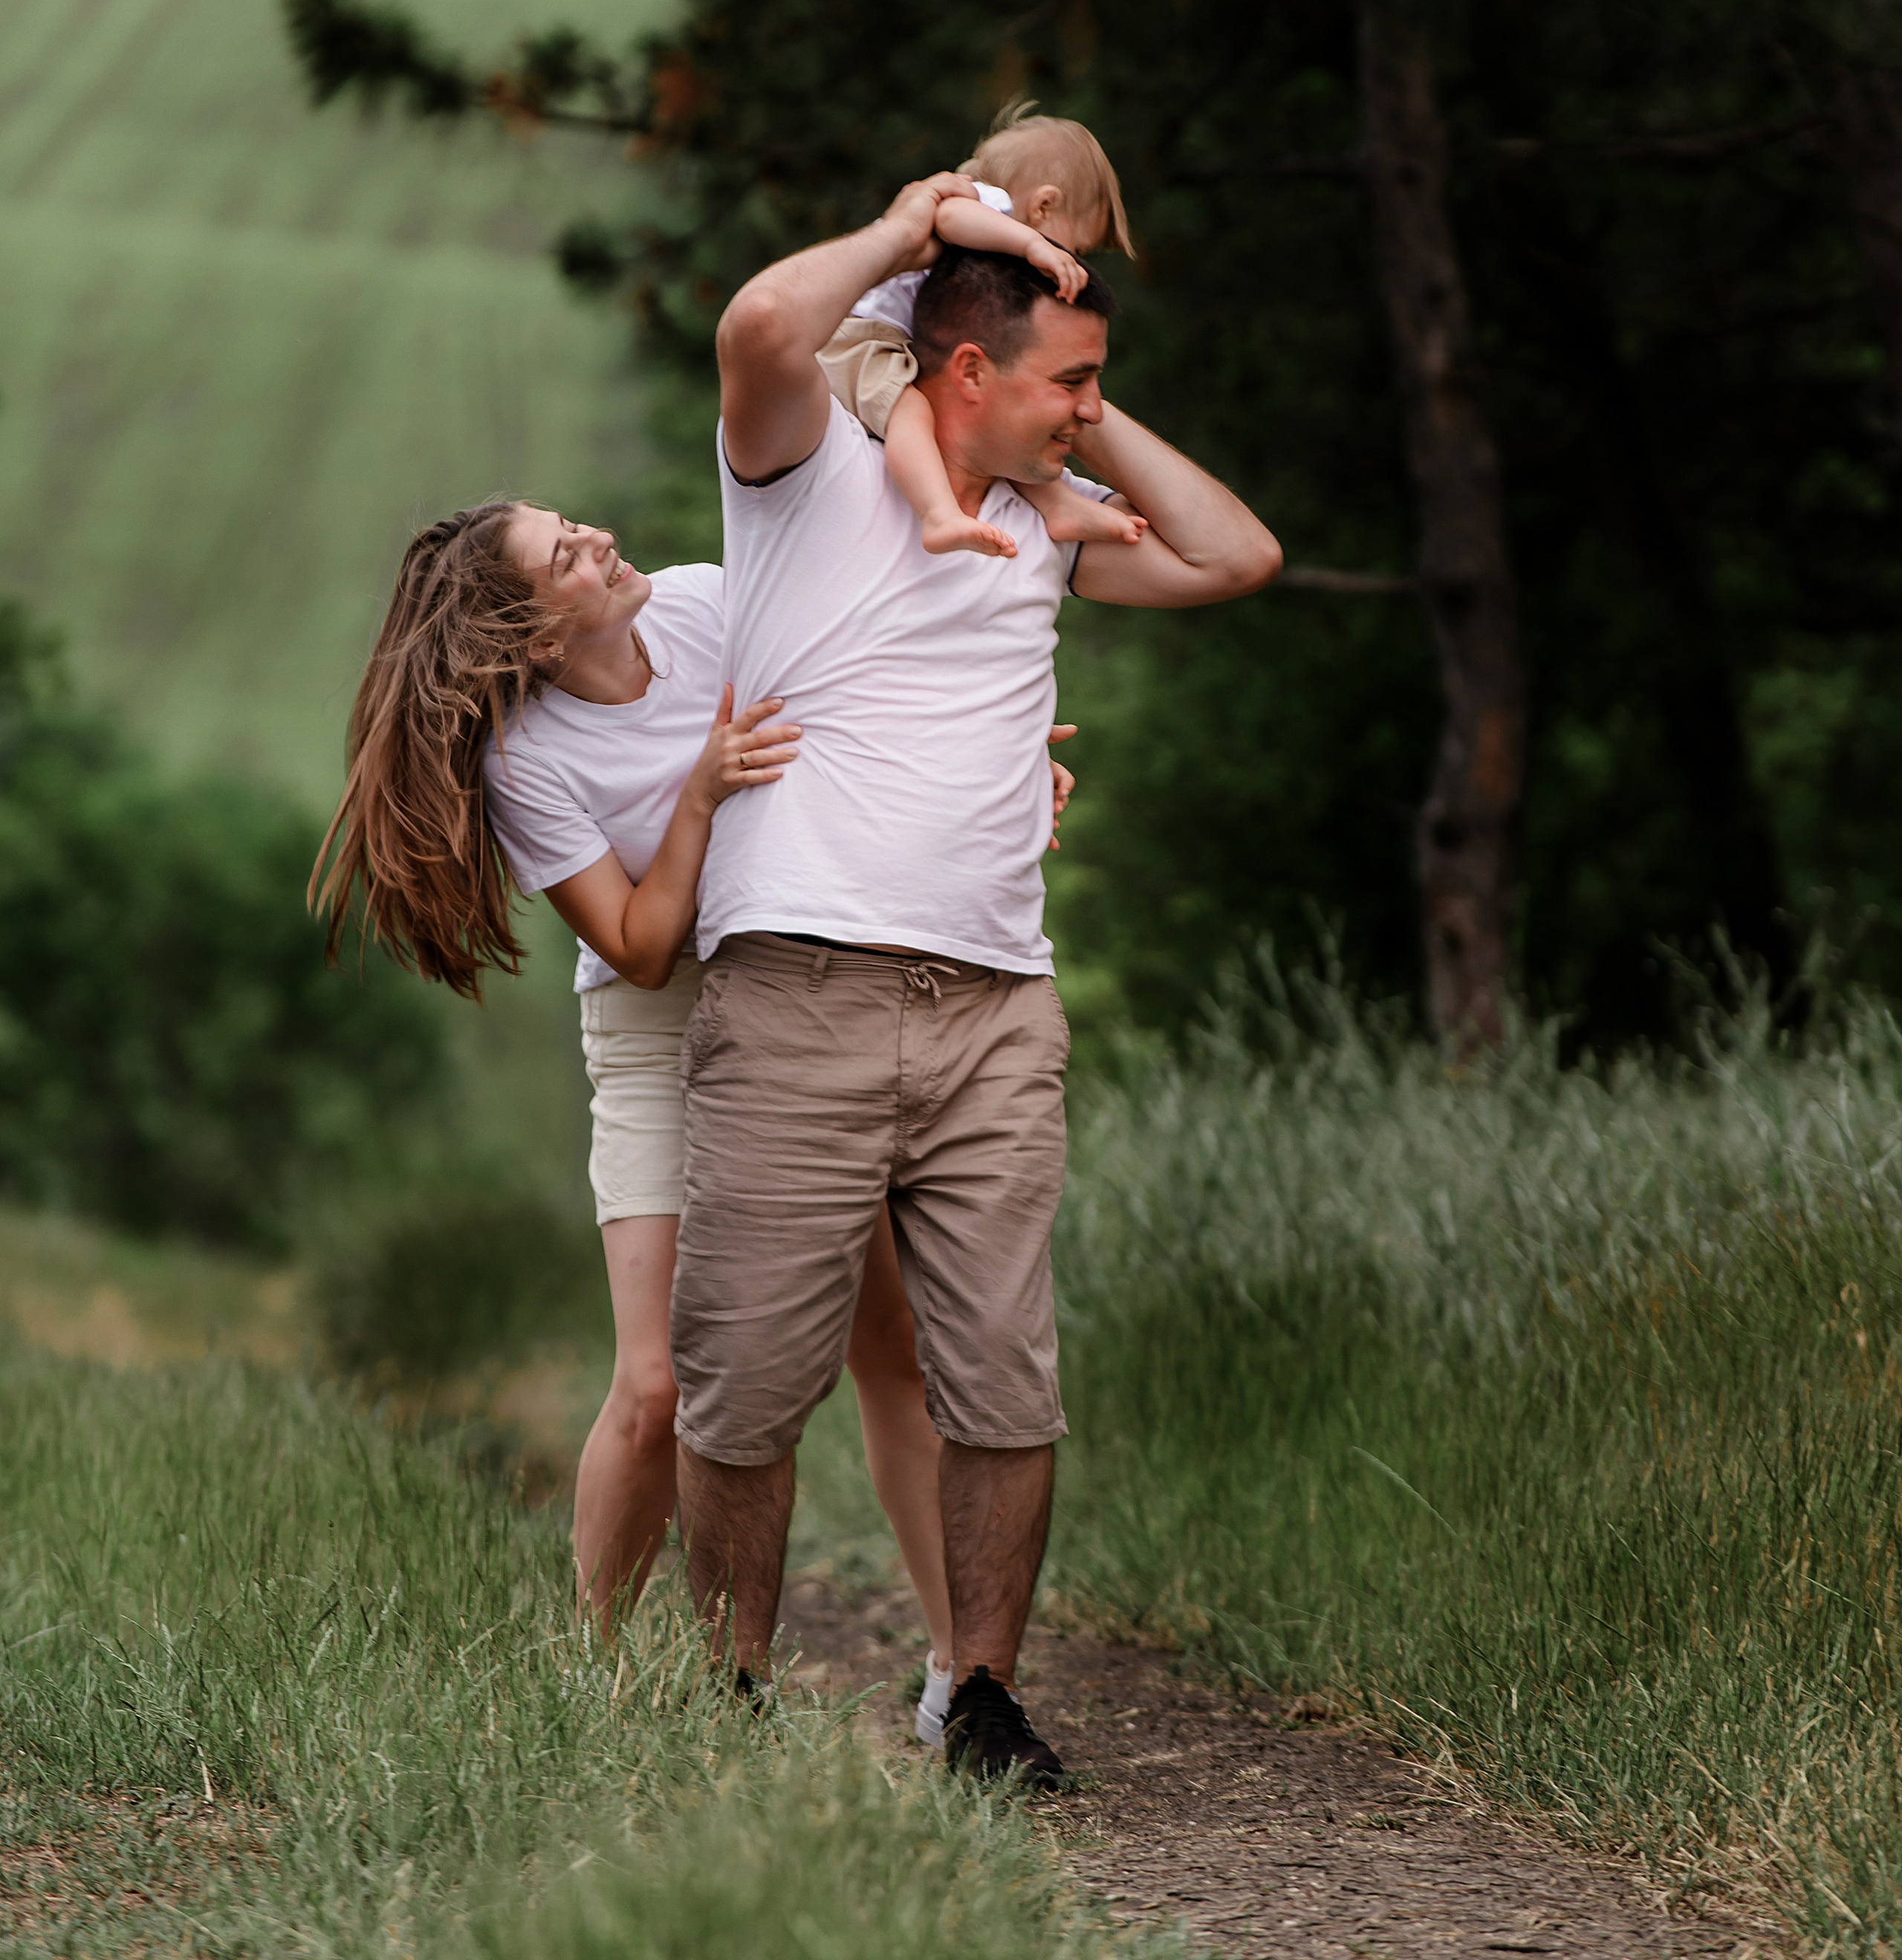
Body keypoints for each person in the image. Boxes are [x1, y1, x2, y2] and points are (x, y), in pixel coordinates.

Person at [671, 171, 1282, 1785]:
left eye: (1095, 385)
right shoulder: (801, 474)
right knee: (742, 1380)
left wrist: (1066, 390)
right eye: (1070, 382)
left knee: (1005, 1375)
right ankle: (721, 1692)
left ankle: (983, 1698)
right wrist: (914, 235)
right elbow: (754, 322)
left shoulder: (1042, 533)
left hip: (997, 1006)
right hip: (796, 987)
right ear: (957, 372)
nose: (1094, 412)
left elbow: (1234, 556)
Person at [312, 502, 1063, 1741]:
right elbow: (643, 949)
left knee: (896, 1346)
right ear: (536, 638)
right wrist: (702, 797)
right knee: (659, 1380)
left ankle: (957, 1684)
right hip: (663, 1026)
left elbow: (869, 708)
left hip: (813, 985)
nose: (602, 540)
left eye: (575, 525)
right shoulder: (532, 759)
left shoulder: (716, 601)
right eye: (568, 556)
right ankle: (595, 1683)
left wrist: (1008, 760)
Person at [817, 106, 1146, 562]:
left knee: (993, 428)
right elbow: (948, 217)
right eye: (1079, 247)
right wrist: (1033, 244)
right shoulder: (986, 203)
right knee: (910, 408)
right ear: (1044, 205)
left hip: (891, 340)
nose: (1075, 259)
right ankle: (938, 515)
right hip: (855, 338)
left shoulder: (994, 239)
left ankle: (1058, 506)